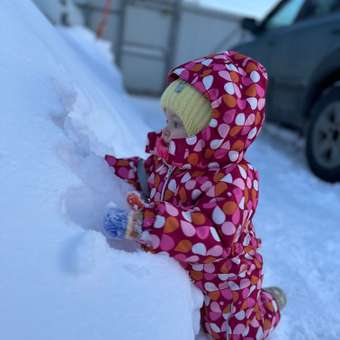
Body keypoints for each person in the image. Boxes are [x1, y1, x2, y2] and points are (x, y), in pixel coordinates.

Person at [103, 50, 286, 339]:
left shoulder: (233, 180)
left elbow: (212, 233)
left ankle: (271, 303)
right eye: (167, 118)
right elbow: (147, 173)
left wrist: (143, 224)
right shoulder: (175, 157)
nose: (165, 131)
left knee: (232, 332)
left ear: (209, 134)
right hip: (188, 265)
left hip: (224, 278)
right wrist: (111, 168)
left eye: (177, 124)